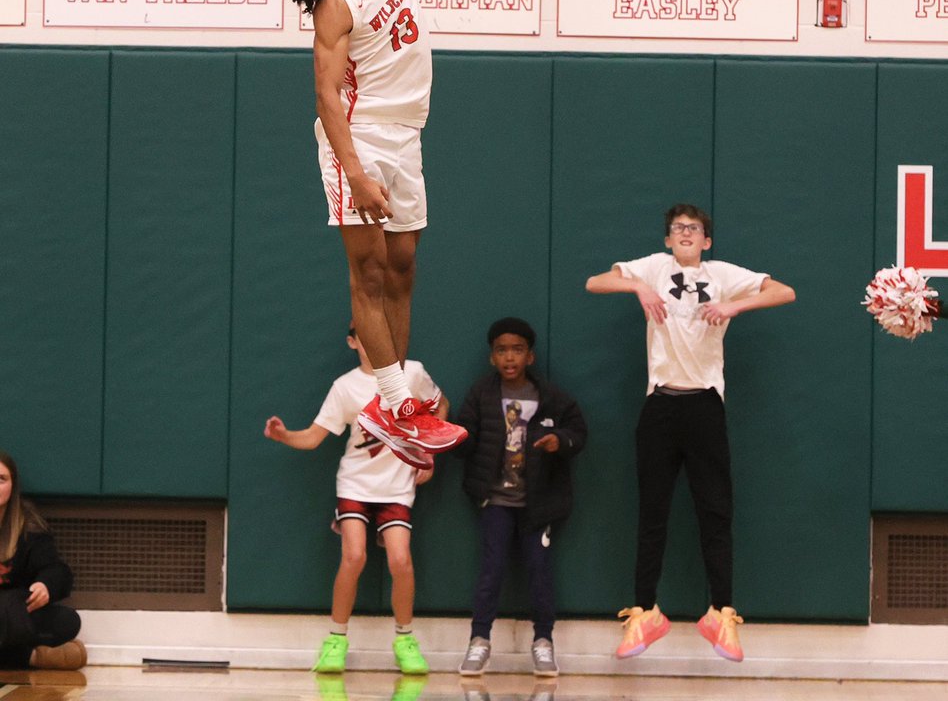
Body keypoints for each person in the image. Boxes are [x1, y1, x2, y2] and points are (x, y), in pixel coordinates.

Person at [253, 0, 482, 470]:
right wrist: (356, 172)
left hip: (406, 133)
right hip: (355, 139)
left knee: (406, 263)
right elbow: (325, 97)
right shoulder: (335, 3)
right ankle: (394, 404)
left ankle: (398, 405)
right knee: (370, 275)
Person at [586, 204, 795, 664]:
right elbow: (595, 282)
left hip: (705, 405)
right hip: (660, 403)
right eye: (677, 228)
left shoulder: (721, 273)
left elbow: (785, 292)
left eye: (694, 229)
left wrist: (734, 304)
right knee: (652, 513)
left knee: (715, 512)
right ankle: (644, 612)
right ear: (667, 240)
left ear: (706, 241)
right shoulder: (654, 267)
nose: (685, 233)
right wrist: (637, 285)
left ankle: (721, 613)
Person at [265, 325, 448, 676]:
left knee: (401, 560)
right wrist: (283, 435)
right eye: (364, 336)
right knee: (354, 555)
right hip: (356, 486)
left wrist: (428, 451)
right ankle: (336, 640)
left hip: (396, 487)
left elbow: (441, 407)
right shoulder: (345, 387)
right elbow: (312, 438)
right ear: (352, 342)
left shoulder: (412, 373)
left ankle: (405, 640)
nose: (374, 341)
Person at [455, 318, 587, 679]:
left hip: (538, 504)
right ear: (491, 358)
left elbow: (578, 432)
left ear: (530, 356)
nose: (509, 357)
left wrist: (560, 441)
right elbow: (465, 436)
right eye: (501, 350)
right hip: (495, 501)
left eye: (516, 350)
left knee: (539, 572)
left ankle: (543, 642)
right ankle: (479, 640)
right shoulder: (481, 394)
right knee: (491, 570)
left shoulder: (552, 397)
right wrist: (451, 437)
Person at [0, 450, 85, 670]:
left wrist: (45, 585)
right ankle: (31, 658)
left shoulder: (27, 523)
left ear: (13, 485)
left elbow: (57, 570)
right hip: (11, 622)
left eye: (1, 479)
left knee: (67, 622)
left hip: (15, 611)